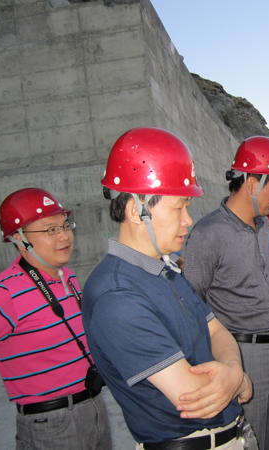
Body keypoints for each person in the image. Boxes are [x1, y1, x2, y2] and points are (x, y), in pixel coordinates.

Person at [81, 127, 253, 450]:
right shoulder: (116, 295)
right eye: (179, 207)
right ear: (137, 211)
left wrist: (231, 371)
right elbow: (193, 394)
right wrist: (240, 379)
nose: (188, 220)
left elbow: (217, 332)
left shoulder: (165, 269)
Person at [184, 136, 269, 450]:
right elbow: (190, 309)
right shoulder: (208, 235)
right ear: (253, 184)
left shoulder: (260, 225)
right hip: (244, 355)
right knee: (250, 440)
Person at [0, 188, 112, 450]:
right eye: (50, 230)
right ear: (19, 238)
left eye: (65, 225)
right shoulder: (4, 292)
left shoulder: (68, 277)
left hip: (93, 407)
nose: (64, 236)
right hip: (51, 426)